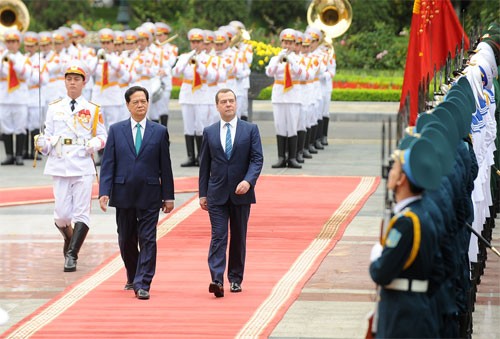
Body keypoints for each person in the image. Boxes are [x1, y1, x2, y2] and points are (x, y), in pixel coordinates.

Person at [98, 86, 174, 300]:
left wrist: (168, 195)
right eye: (136, 102)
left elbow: (165, 166)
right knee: (126, 239)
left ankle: (143, 283)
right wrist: (105, 191)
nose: (140, 105)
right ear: (128, 105)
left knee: (148, 238)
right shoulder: (116, 130)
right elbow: (108, 163)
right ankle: (133, 274)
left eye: (144, 101)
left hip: (150, 194)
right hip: (123, 193)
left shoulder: (159, 131)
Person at [34, 61, 107, 272]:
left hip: (82, 163)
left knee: (81, 212)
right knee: (61, 215)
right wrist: (42, 144)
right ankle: (69, 239)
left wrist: (94, 144)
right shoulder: (54, 107)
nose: (72, 82)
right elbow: (48, 136)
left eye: (76, 79)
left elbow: (103, 136)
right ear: (65, 82)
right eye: (69, 79)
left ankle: (72, 255)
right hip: (59, 162)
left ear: (84, 82)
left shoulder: (93, 109)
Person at [369, 137, 443, 338]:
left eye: (394, 168)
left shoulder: (406, 222)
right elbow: (438, 272)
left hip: (401, 316)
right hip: (419, 309)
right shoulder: (426, 211)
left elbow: (381, 273)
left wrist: (377, 258)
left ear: (402, 179)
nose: (390, 172)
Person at [199, 88, 263, 298]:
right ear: (217, 106)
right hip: (216, 193)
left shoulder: (250, 129)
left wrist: (248, 181)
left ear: (236, 104)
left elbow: (257, 159)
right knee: (218, 236)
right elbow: (204, 165)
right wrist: (202, 193)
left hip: (241, 192)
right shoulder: (209, 131)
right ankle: (216, 279)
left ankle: (235, 279)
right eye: (224, 102)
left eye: (231, 101)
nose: (228, 105)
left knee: (238, 237)